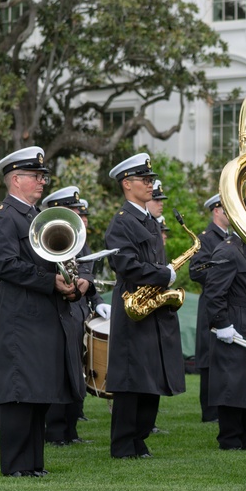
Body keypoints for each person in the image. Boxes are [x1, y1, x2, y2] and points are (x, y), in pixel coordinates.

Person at [0, 147, 88, 477]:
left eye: (43, 176)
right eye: (35, 176)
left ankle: (33, 463)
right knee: (19, 393)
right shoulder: (4, 219)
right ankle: (15, 465)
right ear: (16, 180)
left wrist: (72, 284)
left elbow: (55, 260)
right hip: (21, 318)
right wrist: (51, 281)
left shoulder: (36, 216)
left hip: (43, 317)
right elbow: (5, 265)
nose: (42, 181)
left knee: (38, 392)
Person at [104, 153, 186, 459]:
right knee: (130, 379)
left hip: (152, 306)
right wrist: (164, 275)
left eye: (151, 179)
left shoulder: (149, 220)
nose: (151, 185)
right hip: (132, 306)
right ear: (128, 184)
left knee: (150, 375)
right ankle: (124, 444)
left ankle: (140, 439)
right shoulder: (122, 222)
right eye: (145, 180)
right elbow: (124, 263)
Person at [42, 186, 107, 447]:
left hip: (77, 308)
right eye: (73, 211)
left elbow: (88, 270)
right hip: (56, 310)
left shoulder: (79, 237)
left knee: (76, 371)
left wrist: (96, 298)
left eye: (79, 212)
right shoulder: (51, 234)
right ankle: (55, 431)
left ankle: (71, 428)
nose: (79, 217)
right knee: (57, 372)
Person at [206, 231, 246, 450]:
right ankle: (230, 438)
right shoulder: (227, 250)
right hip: (234, 320)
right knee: (232, 380)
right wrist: (222, 323)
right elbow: (214, 292)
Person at [189, 193, 232, 424]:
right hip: (212, 303)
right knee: (209, 356)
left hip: (229, 303)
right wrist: (224, 278)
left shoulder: (231, 237)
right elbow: (196, 271)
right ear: (216, 210)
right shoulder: (205, 238)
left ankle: (224, 405)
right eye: (227, 208)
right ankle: (210, 411)